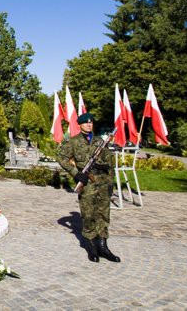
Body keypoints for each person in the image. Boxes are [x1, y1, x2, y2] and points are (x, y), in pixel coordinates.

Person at [57, 112, 120, 263]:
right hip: (87, 183)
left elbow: (109, 160)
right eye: (86, 123)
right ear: (80, 125)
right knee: (88, 214)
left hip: (103, 182)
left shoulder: (100, 141)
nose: (89, 125)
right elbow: (61, 157)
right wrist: (76, 174)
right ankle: (91, 246)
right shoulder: (73, 142)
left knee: (104, 214)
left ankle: (103, 246)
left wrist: (109, 177)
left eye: (91, 123)